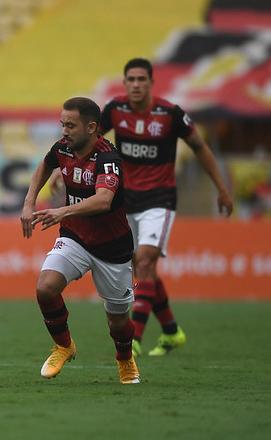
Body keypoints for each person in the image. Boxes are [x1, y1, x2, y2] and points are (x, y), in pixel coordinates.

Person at [100, 58, 234, 356]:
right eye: (130, 79)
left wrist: (222, 189)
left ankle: (133, 338)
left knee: (145, 262)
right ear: (125, 83)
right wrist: (60, 170)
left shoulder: (170, 114)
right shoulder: (115, 110)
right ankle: (172, 331)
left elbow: (199, 147)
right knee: (142, 268)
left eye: (141, 79)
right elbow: (88, 140)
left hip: (159, 200)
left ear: (151, 82)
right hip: (126, 200)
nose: (135, 84)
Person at [21, 97, 140, 384]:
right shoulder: (63, 147)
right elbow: (45, 165)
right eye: (62, 124)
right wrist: (28, 203)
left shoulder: (107, 158)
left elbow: (103, 200)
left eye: (70, 125)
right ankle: (64, 346)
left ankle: (124, 359)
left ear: (91, 128)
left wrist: (62, 210)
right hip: (75, 237)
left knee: (118, 321)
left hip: (112, 247)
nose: (64, 130)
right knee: (46, 288)